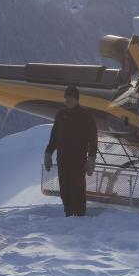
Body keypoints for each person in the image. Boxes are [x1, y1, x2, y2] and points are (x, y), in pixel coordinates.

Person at [43, 85, 98, 216]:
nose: (69, 100)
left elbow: (93, 139)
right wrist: (48, 153)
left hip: (78, 160)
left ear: (77, 99)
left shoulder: (86, 116)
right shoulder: (60, 115)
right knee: (64, 190)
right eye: (66, 97)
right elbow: (54, 136)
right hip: (62, 159)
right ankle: (68, 213)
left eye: (72, 98)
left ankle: (80, 215)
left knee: (78, 189)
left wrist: (91, 159)